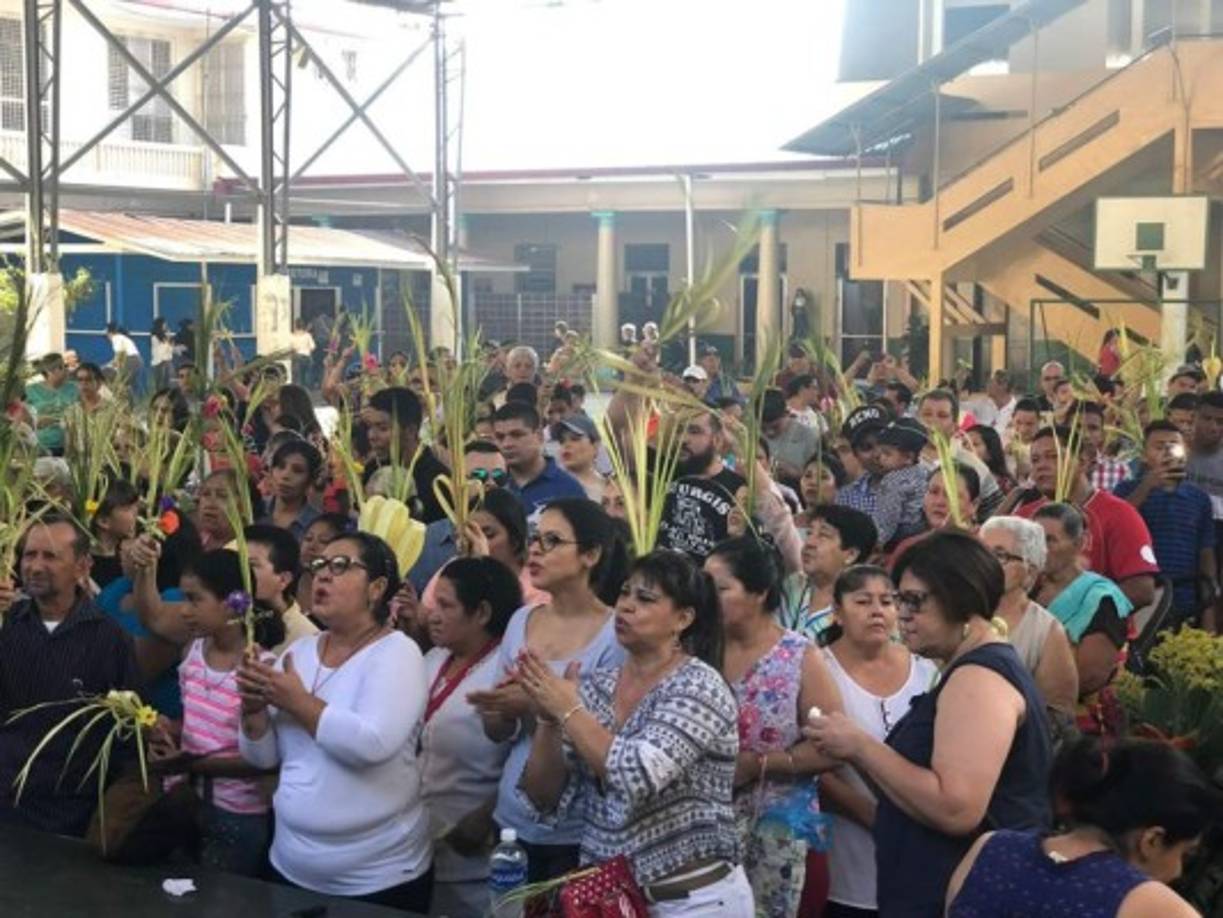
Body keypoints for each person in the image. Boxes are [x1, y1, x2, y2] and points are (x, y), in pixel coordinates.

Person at [806, 531, 1052, 917]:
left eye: (913, 601)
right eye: (900, 599)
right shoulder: (967, 669)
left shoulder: (979, 679)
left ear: (960, 597)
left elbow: (956, 808)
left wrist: (860, 745)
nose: (901, 614)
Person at [517, 549, 755, 914]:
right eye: (624, 593)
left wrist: (567, 708)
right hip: (612, 902)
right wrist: (549, 720)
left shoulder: (698, 685)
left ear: (683, 618)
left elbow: (637, 775)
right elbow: (542, 797)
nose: (625, 606)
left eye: (644, 599)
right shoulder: (596, 687)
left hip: (695, 902)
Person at [237, 532, 433, 911]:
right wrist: (253, 710)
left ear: (376, 587)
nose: (322, 576)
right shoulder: (300, 651)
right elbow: (262, 759)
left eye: (340, 566)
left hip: (376, 878)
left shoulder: (398, 653)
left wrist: (296, 701)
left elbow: (371, 744)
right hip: (290, 864)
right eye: (319, 566)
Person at [468, 499, 626, 883]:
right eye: (535, 538)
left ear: (590, 554)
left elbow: (609, 742)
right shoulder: (522, 619)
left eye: (553, 541)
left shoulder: (615, 634)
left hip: (576, 828)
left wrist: (544, 704)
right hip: (513, 816)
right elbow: (499, 735)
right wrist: (497, 709)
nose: (535, 549)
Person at [708, 536, 842, 917]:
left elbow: (830, 746)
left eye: (720, 588)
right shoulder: (698, 648)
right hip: (704, 828)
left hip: (775, 830)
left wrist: (758, 764)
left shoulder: (799, 656)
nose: (706, 598)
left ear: (759, 592)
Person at [946, 738, 1218, 917]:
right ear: (1152, 840)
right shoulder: (1151, 905)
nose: (1178, 871)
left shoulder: (991, 848)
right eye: (1184, 854)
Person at [0, 515, 142, 836]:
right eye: (29, 554)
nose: (35, 566)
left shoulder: (108, 639)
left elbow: (126, 732)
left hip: (68, 813)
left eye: (50, 556)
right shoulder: (7, 625)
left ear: (82, 566)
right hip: (4, 799)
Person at [151, 549, 281, 876]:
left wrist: (191, 762)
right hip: (187, 800)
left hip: (237, 814)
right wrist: (169, 729)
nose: (184, 610)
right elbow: (195, 723)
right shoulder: (193, 653)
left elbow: (264, 759)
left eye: (195, 599)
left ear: (233, 602)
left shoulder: (261, 671)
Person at [819, 565, 938, 918]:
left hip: (915, 850)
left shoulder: (927, 670)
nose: (877, 611)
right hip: (844, 854)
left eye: (887, 601)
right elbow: (816, 764)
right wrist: (873, 816)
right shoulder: (817, 669)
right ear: (837, 613)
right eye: (862, 601)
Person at [420, 557, 522, 918]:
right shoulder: (432, 660)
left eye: (445, 606)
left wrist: (485, 816)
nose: (432, 614)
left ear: (481, 612)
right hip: (421, 850)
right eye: (434, 603)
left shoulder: (506, 672)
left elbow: (521, 759)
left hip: (477, 859)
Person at [1015, 426, 1158, 609]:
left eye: (1053, 456)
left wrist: (1076, 613)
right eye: (1035, 460)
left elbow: (1141, 590)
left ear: (1082, 462)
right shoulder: (1022, 518)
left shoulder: (1120, 514)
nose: (1041, 465)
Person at [1115, 420, 1217, 624]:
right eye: (1159, 447)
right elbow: (1116, 523)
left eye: (1174, 446)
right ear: (1144, 455)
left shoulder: (1199, 498)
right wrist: (1148, 486)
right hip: (1142, 600)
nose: (1168, 452)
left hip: (1186, 600)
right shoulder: (1126, 490)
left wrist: (1209, 614)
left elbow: (1206, 556)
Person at [1031, 503, 1133, 702]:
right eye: (1035, 540)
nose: (1040, 549)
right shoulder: (1027, 587)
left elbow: (1089, 677)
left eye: (1050, 540)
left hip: (1075, 713)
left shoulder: (1101, 599)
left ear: (1079, 544)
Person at [978, 517, 1079, 717]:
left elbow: (1057, 714)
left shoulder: (1046, 632)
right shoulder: (952, 611)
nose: (984, 563)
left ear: (1030, 571)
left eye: (1000, 555)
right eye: (980, 553)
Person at [655, 410, 748, 562]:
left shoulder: (739, 488)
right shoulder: (664, 471)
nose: (682, 439)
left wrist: (739, 446)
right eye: (679, 431)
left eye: (694, 431)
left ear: (717, 440)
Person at [781, 504, 879, 644]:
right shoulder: (792, 585)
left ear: (851, 555)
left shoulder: (865, 611)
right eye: (809, 533)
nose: (809, 543)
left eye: (823, 535)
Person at [362, 386, 448, 524]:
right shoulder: (372, 470)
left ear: (410, 430)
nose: (372, 436)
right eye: (369, 427)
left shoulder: (438, 481)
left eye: (382, 428)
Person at [492, 400, 585, 517]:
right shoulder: (491, 485)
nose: (506, 444)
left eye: (516, 435)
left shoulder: (568, 489)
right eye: (500, 437)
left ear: (539, 436)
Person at [244, 524, 318, 655]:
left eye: (251, 565)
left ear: (284, 579)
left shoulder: (306, 638)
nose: (239, 570)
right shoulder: (224, 619)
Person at [872, 417, 930, 548]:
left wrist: (877, 545)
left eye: (887, 453)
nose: (880, 457)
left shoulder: (892, 481)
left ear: (908, 457)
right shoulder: (924, 471)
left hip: (901, 535)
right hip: (922, 530)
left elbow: (887, 521)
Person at [259, 439, 322, 542]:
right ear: (270, 471)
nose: (285, 476)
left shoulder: (317, 524)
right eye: (280, 467)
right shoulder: (254, 509)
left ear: (311, 479)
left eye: (297, 471)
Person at [835, 404, 890, 517]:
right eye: (866, 447)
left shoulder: (925, 485)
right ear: (856, 455)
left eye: (883, 441)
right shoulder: (845, 500)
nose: (877, 453)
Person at [89, 477, 140, 591]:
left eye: (136, 506)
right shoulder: (87, 566)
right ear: (103, 521)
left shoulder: (129, 557)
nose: (136, 513)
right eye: (128, 509)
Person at [761, 387, 820, 486]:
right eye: (763, 428)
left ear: (787, 414)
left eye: (775, 427)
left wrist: (796, 474)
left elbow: (819, 479)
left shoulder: (808, 436)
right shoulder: (752, 436)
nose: (769, 433)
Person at [295, 512, 348, 618]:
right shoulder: (286, 584)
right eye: (308, 539)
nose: (311, 546)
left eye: (323, 541)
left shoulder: (344, 596)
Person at [25, 353, 78, 455]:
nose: (67, 370)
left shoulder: (75, 388)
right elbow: (22, 418)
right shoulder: (31, 390)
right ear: (50, 371)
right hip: (40, 447)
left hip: (69, 446)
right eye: (62, 367)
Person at [553, 414, 606, 502]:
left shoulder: (609, 490)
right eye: (562, 441)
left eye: (574, 439)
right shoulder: (551, 485)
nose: (566, 445)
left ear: (595, 446)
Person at [967, 424, 1016, 494]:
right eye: (964, 443)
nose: (967, 448)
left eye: (975, 444)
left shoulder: (1002, 483)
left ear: (990, 452)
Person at [106, 322, 144, 394]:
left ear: (110, 333)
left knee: (119, 382)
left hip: (131, 361)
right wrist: (111, 363)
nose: (107, 337)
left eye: (107, 335)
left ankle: (119, 402)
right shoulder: (122, 337)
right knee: (127, 385)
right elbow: (118, 358)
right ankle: (131, 403)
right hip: (138, 361)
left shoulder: (116, 338)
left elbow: (119, 356)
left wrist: (109, 366)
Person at [290, 318, 315, 389]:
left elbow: (291, 347)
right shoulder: (307, 335)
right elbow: (313, 347)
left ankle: (299, 390)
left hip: (297, 357)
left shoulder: (292, 336)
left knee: (298, 376)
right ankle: (307, 388)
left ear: (295, 326)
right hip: (306, 357)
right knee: (306, 375)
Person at [150, 317, 175, 391]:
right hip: (160, 362)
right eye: (164, 324)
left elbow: (169, 350)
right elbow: (161, 350)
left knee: (167, 383)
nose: (166, 325)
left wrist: (169, 341)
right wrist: (168, 342)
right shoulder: (155, 337)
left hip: (167, 361)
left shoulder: (165, 337)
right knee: (160, 384)